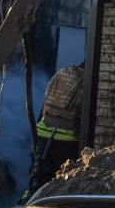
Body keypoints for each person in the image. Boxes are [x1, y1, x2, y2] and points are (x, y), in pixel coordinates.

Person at [26, 63, 84, 196]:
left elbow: (43, 111)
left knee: (37, 185)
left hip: (43, 136)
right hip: (67, 142)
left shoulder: (61, 73)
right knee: (62, 189)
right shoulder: (87, 80)